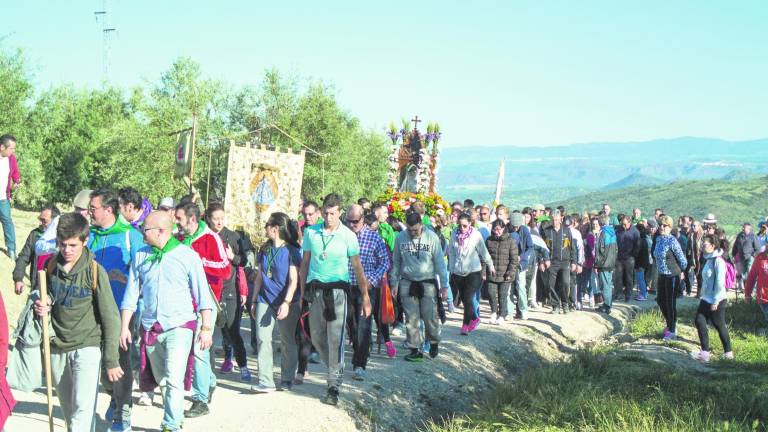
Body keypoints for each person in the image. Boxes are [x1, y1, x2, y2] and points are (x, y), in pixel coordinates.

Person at [119, 211, 215, 432]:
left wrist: (206, 328)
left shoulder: (187, 256)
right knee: (161, 378)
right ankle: (175, 415)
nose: (142, 231)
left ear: (161, 231)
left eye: (146, 228)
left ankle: (170, 424)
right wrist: (125, 327)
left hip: (179, 326)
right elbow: (131, 294)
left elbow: (203, 295)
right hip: (150, 327)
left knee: (173, 377)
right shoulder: (141, 255)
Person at [35, 212, 123, 432]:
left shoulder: (95, 272)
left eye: (73, 245)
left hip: (87, 347)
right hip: (57, 347)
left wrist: (111, 360)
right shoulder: (50, 267)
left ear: (85, 241)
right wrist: (42, 302)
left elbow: (111, 317)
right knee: (69, 412)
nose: (67, 250)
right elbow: (41, 295)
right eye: (62, 244)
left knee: (81, 415)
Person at [299, 193, 371, 406]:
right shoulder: (311, 233)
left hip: (338, 292)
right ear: (321, 212)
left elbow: (358, 268)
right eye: (326, 213)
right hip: (316, 291)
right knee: (317, 337)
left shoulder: (348, 235)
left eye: (333, 213)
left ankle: (333, 386)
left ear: (339, 212)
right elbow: (304, 264)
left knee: (335, 339)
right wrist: (301, 292)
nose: (329, 217)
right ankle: (334, 365)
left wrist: (365, 298)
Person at [88, 189, 145, 432]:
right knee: (100, 367)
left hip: (122, 313)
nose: (89, 212)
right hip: (91, 310)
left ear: (108, 210)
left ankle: (123, 411)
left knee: (120, 363)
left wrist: (125, 278)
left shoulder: (131, 236)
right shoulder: (90, 236)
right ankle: (114, 396)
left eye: (93, 208)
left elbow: (144, 271)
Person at [175, 201, 230, 418]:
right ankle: (209, 381)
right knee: (193, 349)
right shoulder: (178, 239)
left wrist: (199, 262)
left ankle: (200, 400)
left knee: (199, 349)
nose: (176, 222)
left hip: (205, 302)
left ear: (192, 219)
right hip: (183, 302)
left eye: (179, 218)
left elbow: (225, 269)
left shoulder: (210, 238)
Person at [250, 212, 303, 392]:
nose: (264, 228)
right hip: (265, 299)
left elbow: (294, 280)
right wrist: (254, 300)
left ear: (275, 228)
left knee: (287, 340)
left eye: (267, 224)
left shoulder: (291, 251)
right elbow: (259, 277)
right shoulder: (264, 249)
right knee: (263, 338)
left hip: (287, 301)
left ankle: (287, 377)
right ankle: (266, 381)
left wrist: (287, 303)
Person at [390, 212, 449, 361]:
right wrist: (394, 283)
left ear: (421, 225)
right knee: (411, 318)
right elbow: (396, 262)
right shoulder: (400, 238)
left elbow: (440, 263)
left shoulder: (432, 238)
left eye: (415, 230)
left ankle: (434, 342)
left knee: (430, 317)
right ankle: (414, 348)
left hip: (427, 282)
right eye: (410, 230)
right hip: (407, 282)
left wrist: (444, 286)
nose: (412, 233)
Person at [205, 202, 250, 382]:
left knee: (233, 329)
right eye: (215, 219)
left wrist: (233, 257)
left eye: (222, 218)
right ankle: (208, 367)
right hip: (209, 290)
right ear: (208, 219)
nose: (219, 222)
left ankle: (243, 365)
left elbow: (244, 261)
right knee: (210, 330)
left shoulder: (232, 236)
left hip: (229, 289)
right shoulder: (204, 236)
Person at [344, 205, 391, 379]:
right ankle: (359, 350)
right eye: (348, 221)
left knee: (363, 325)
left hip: (366, 288)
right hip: (346, 287)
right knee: (351, 324)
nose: (351, 225)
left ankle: (359, 363)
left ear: (363, 219)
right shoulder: (343, 236)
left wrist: (371, 280)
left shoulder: (374, 238)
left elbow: (385, 262)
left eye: (355, 221)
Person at [448, 213, 494, 334]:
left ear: (469, 224)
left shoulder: (476, 235)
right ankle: (474, 318)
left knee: (468, 297)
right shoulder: (454, 234)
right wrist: (451, 269)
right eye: (460, 226)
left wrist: (491, 265)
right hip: (458, 271)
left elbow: (484, 252)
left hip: (474, 271)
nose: (462, 228)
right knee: (464, 299)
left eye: (464, 226)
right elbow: (452, 252)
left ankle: (465, 325)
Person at [690, 235, 733, 362]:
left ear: (712, 246)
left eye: (705, 245)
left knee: (719, 324)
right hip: (706, 298)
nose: (702, 247)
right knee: (699, 320)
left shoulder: (718, 261)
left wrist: (716, 301)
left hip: (717, 299)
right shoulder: (708, 259)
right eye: (702, 244)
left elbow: (720, 283)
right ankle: (704, 353)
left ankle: (728, 354)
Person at [653, 215, 688, 341]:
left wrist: (681, 272)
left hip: (672, 275)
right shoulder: (658, 239)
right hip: (661, 275)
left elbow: (683, 260)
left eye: (665, 225)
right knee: (660, 300)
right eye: (660, 225)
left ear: (670, 227)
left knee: (670, 303)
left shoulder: (672, 241)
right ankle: (670, 324)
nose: (662, 227)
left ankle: (672, 330)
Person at [13, 204, 59, 295]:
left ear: (54, 221)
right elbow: (24, 257)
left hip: (56, 289)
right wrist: (18, 278)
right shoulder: (35, 235)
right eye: (40, 219)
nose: (40, 223)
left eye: (44, 221)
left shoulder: (62, 239)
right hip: (36, 287)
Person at [35, 189, 93, 256]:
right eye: (77, 208)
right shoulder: (60, 220)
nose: (80, 212)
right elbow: (38, 247)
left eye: (83, 209)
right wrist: (59, 244)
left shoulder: (96, 228)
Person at [541, 211, 577, 314]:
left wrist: (574, 261)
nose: (554, 222)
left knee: (565, 283)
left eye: (556, 219)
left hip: (565, 262)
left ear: (560, 219)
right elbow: (543, 248)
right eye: (553, 219)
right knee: (550, 285)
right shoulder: (546, 231)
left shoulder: (566, 230)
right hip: (552, 263)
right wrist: (543, 260)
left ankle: (565, 304)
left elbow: (572, 248)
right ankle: (555, 305)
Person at [485, 219, 518, 324]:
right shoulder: (489, 240)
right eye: (495, 229)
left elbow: (514, 260)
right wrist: (483, 272)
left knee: (502, 294)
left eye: (499, 229)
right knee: (491, 293)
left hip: (505, 274)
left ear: (504, 229)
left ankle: (502, 315)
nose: (497, 231)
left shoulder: (511, 241)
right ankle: (494, 312)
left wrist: (510, 273)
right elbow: (484, 258)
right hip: (492, 273)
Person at [508, 212, 533, 318]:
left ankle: (524, 310)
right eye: (513, 226)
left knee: (521, 287)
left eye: (517, 226)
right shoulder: (506, 230)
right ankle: (508, 312)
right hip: (508, 263)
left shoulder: (525, 230)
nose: (515, 228)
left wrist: (521, 256)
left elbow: (530, 247)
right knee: (509, 288)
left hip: (521, 263)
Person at [0, 134, 20, 260]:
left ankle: (11, 250)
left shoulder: (11, 159)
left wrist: (17, 180)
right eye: (11, 148)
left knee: (7, 221)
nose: (13, 151)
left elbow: (15, 171)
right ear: (2, 147)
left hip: (3, 197)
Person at [594, 214, 617, 315]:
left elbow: (600, 251)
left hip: (603, 264)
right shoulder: (613, 233)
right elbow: (616, 249)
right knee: (608, 284)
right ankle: (608, 304)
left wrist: (596, 265)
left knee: (605, 285)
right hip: (611, 262)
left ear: (600, 223)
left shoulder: (602, 233)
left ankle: (607, 306)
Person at [614, 215, 640, 302]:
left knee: (629, 277)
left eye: (625, 224)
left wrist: (632, 256)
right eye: (622, 224)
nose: (623, 226)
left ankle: (628, 294)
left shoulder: (635, 231)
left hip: (629, 257)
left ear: (630, 223)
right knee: (618, 276)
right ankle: (618, 294)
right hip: (619, 257)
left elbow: (637, 246)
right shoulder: (618, 229)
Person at [732, 222, 760, 292]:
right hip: (742, 258)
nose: (743, 228)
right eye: (743, 227)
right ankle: (746, 288)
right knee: (744, 274)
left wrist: (753, 255)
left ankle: (752, 289)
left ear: (748, 229)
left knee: (750, 272)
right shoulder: (739, 235)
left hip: (750, 257)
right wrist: (733, 254)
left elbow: (757, 248)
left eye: (744, 227)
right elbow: (735, 246)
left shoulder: (753, 236)